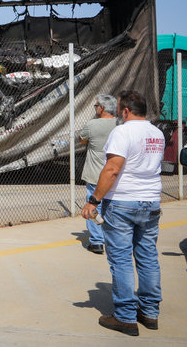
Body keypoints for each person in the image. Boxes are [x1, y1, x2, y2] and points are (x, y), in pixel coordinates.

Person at [81, 90, 164, 337]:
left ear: (126, 111)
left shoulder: (123, 131)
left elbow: (112, 170)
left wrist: (93, 201)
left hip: (123, 203)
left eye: (120, 110)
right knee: (148, 257)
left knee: (121, 260)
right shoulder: (156, 133)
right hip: (151, 201)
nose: (118, 114)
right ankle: (149, 312)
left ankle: (125, 316)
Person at [78, 94, 117, 254]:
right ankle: (112, 239)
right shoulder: (121, 125)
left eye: (96, 106)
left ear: (102, 108)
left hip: (95, 174)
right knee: (112, 207)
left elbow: (82, 140)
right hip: (115, 174)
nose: (95, 109)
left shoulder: (92, 124)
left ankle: (96, 242)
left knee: (93, 206)